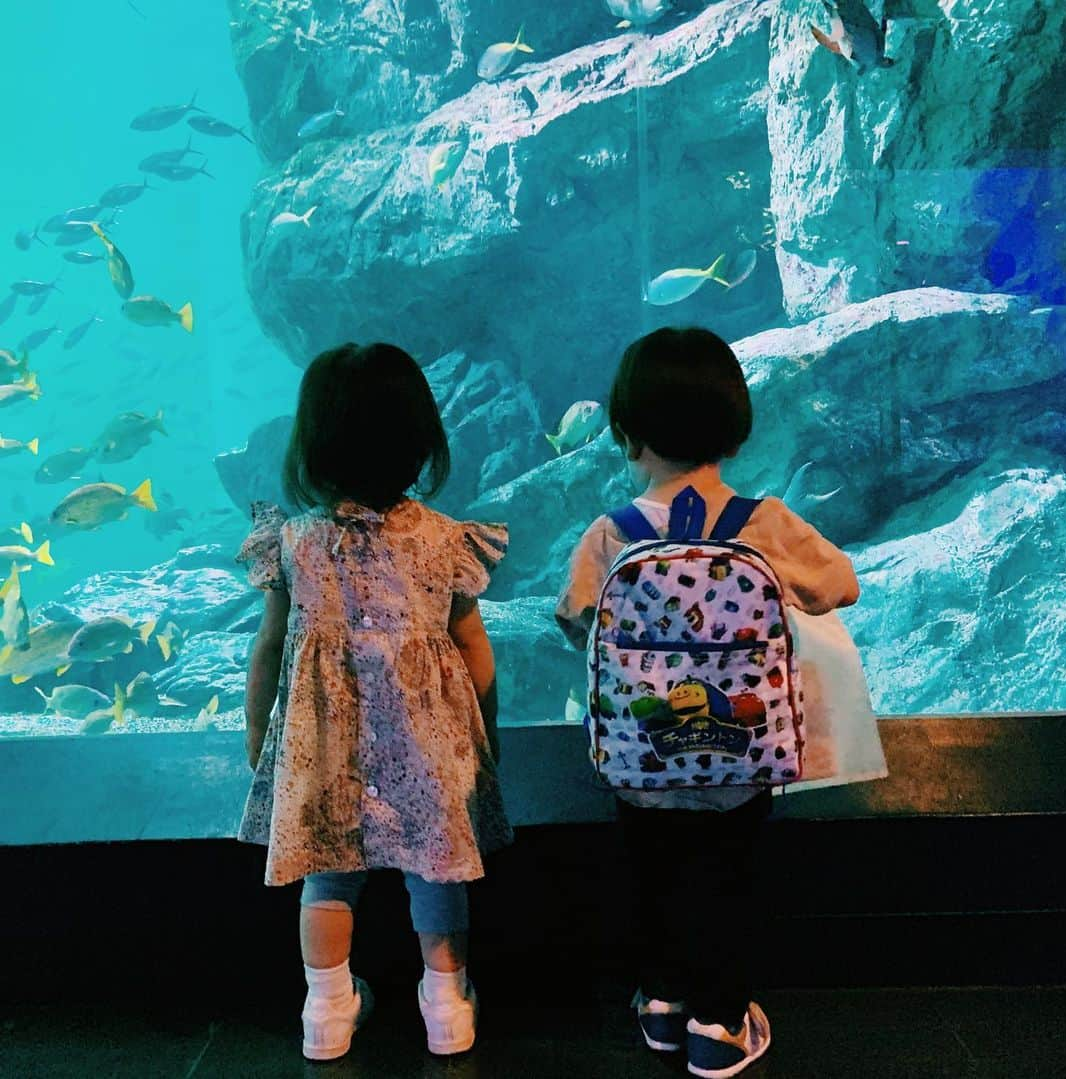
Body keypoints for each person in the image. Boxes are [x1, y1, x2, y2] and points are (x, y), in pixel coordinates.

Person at [555, 326, 859, 1079]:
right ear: (736, 424)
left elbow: (574, 617)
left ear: (624, 433)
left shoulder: (611, 534)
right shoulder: (765, 522)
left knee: (653, 874)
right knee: (727, 879)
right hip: (743, 755)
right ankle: (718, 1025)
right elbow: (841, 584)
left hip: (640, 758)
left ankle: (660, 1003)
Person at [237, 342, 511, 1061]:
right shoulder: (445, 539)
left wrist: (258, 733)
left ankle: (325, 1008)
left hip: (323, 743)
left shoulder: (293, 543)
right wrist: (485, 730)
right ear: (421, 439)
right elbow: (474, 644)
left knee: (328, 868)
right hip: (428, 741)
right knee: (438, 863)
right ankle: (446, 1003)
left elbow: (267, 648)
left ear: (310, 443)